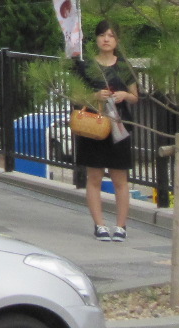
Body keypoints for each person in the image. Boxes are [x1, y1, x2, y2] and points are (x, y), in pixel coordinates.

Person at [73, 19, 139, 240]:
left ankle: (121, 226)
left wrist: (124, 95)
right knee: (95, 177)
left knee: (120, 178)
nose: (106, 39)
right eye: (102, 35)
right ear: (97, 39)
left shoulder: (124, 67)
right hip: (93, 127)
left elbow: (135, 96)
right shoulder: (87, 66)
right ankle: (99, 224)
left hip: (119, 127)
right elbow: (76, 97)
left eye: (111, 35)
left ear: (116, 40)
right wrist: (94, 96)